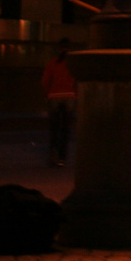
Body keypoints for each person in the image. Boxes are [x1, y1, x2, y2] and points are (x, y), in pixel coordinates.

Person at [40, 38, 76, 167]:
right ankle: (62, 158)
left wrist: (48, 94)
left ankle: (53, 154)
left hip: (54, 96)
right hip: (69, 97)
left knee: (54, 128)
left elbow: (45, 81)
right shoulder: (73, 63)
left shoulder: (52, 63)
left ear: (59, 49)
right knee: (66, 128)